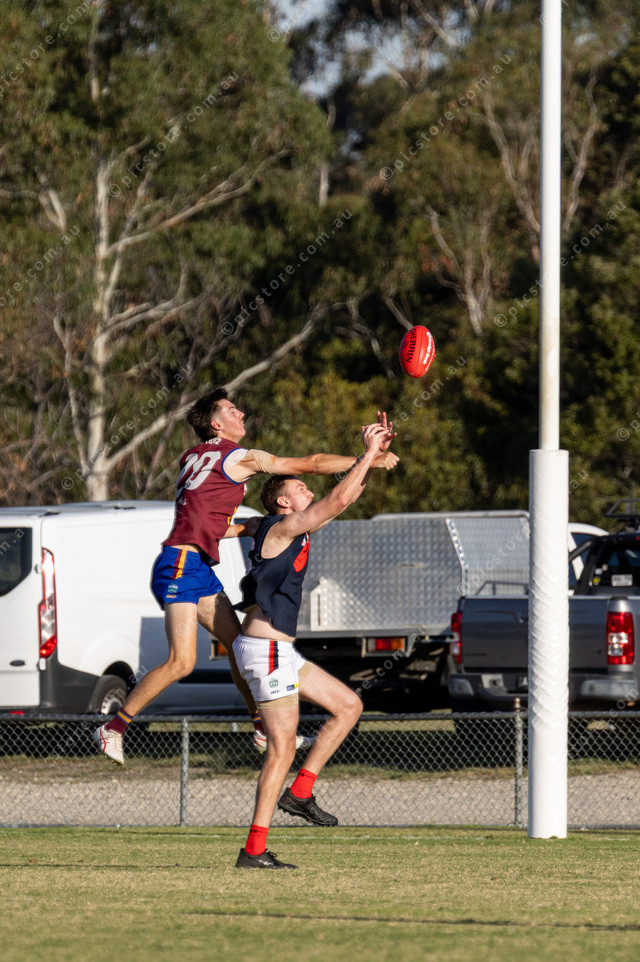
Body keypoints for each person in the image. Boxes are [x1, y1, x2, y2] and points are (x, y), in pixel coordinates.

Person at [93, 389, 398, 765]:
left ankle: (261, 728)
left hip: (195, 565)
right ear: (216, 424)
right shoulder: (237, 457)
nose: (240, 413)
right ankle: (113, 728)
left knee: (239, 645)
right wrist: (366, 458)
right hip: (181, 564)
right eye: (231, 410)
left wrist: (247, 528)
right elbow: (312, 464)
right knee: (182, 662)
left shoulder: (192, 457)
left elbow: (205, 521)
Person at [234, 419, 396, 870]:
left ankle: (301, 792)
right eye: (301, 488)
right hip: (266, 651)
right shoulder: (281, 527)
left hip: (278, 652)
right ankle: (253, 851)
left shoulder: (285, 527)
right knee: (281, 750)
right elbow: (339, 498)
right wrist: (367, 453)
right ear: (283, 501)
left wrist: (373, 458)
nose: (309, 491)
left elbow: (347, 495)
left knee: (348, 706)